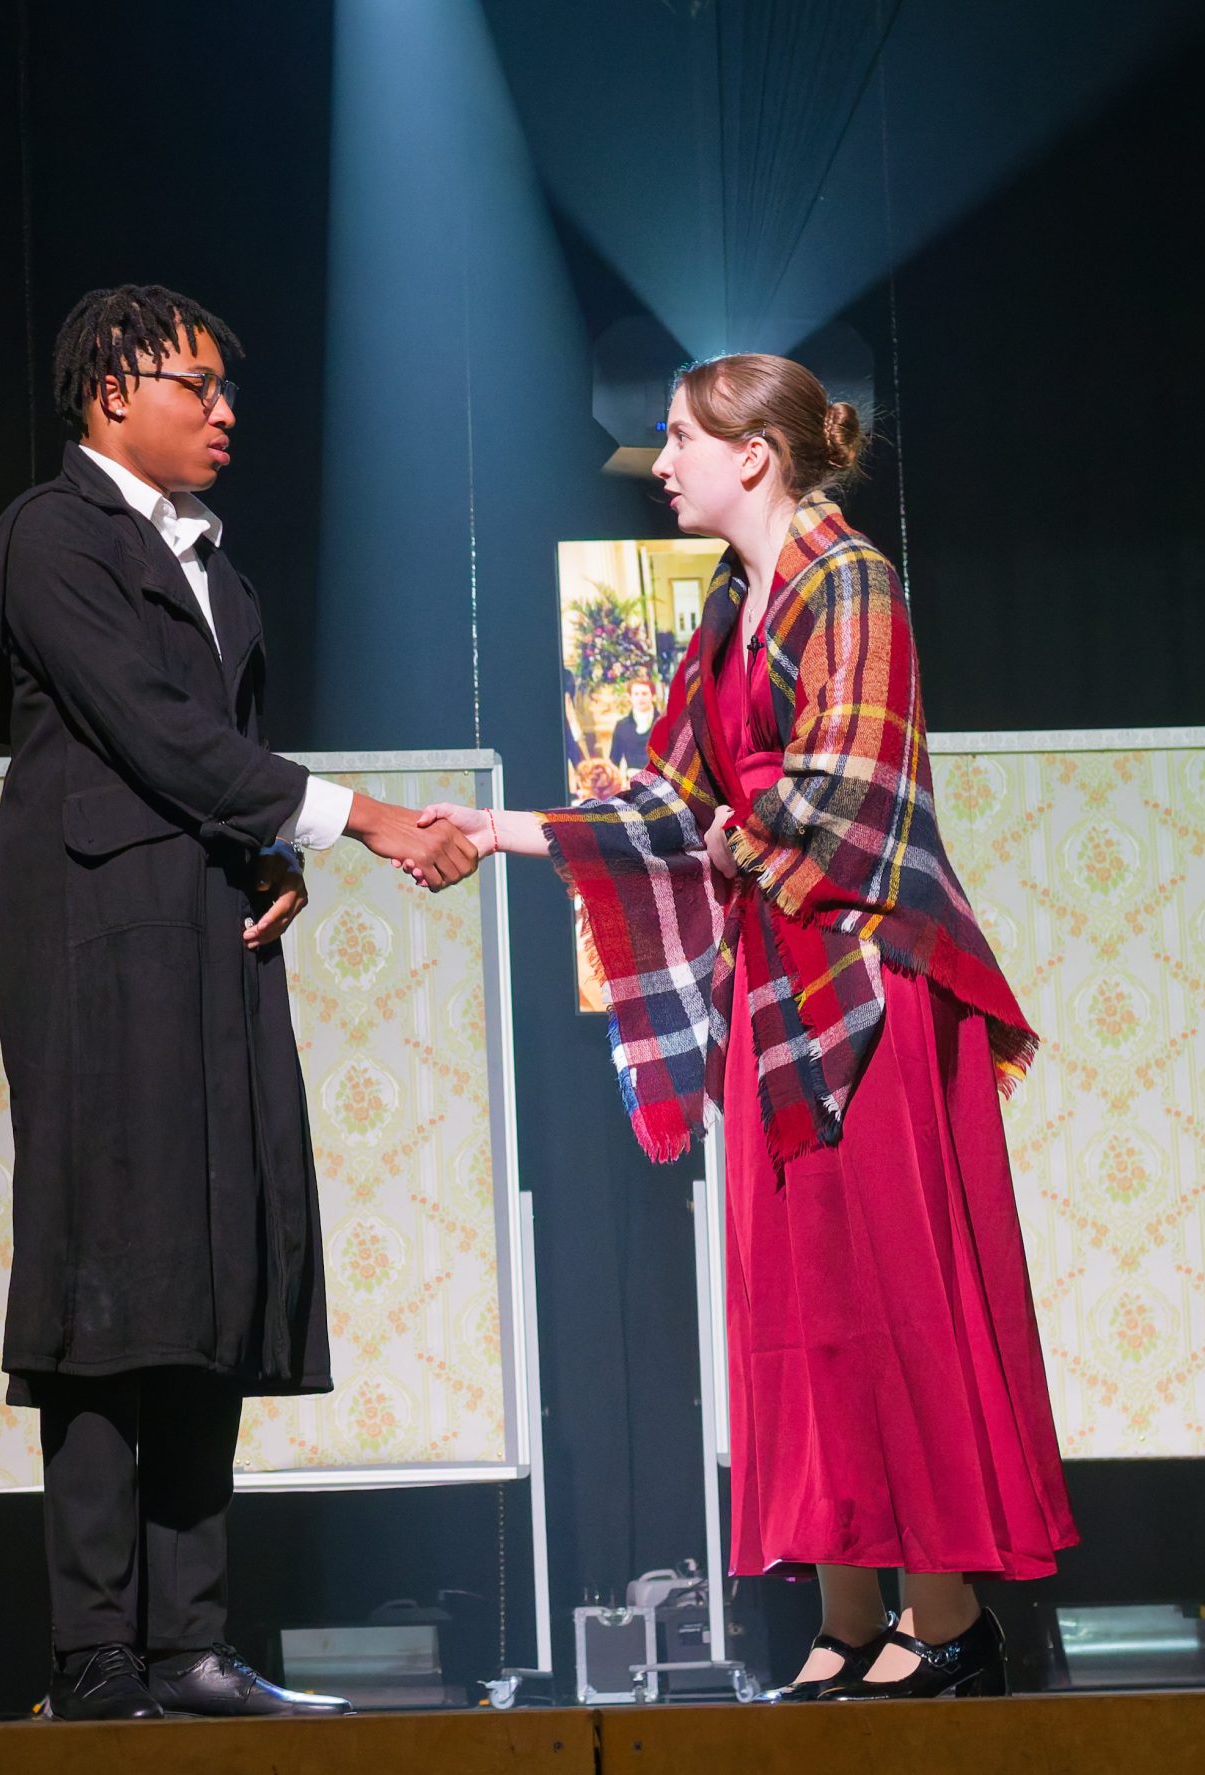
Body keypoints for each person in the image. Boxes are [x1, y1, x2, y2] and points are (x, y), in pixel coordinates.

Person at [419, 354, 1074, 1702]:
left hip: (870, 978)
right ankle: (846, 1612)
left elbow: (851, 783)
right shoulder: (727, 606)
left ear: (754, 454)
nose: (661, 462)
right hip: (776, 990)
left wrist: (733, 829)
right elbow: (668, 802)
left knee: (894, 1294)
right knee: (803, 1309)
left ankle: (947, 1614)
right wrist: (500, 828)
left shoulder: (850, 578)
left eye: (678, 438)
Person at [0, 283, 477, 1723]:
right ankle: (95, 1649)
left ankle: (186, 1639)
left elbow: (216, 760)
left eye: (228, 389)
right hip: (98, 942)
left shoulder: (218, 570)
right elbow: (152, 728)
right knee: (106, 1269)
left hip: (213, 935)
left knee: (210, 1260)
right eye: (199, 385)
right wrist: (362, 819)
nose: (226, 411)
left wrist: (270, 856)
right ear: (113, 391)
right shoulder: (53, 536)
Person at [605, 676, 659, 771]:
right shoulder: (622, 726)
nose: (640, 698)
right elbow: (614, 761)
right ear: (630, 697)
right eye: (636, 694)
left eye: (644, 694)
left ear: (653, 697)